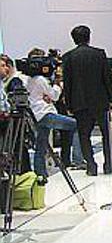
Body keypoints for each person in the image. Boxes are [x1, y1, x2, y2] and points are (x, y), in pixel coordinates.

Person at [61, 25, 112, 176]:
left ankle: (91, 166)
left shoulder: (68, 57)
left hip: (79, 102)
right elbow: (106, 78)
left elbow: (67, 83)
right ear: (89, 37)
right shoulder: (99, 54)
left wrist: (68, 104)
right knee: (106, 134)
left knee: (84, 135)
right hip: (100, 100)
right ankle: (108, 165)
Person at [25, 48, 84, 178]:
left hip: (36, 115)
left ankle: (40, 173)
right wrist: (58, 83)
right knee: (77, 125)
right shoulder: (40, 79)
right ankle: (78, 159)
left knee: (41, 146)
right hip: (46, 114)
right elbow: (55, 96)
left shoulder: (28, 79)